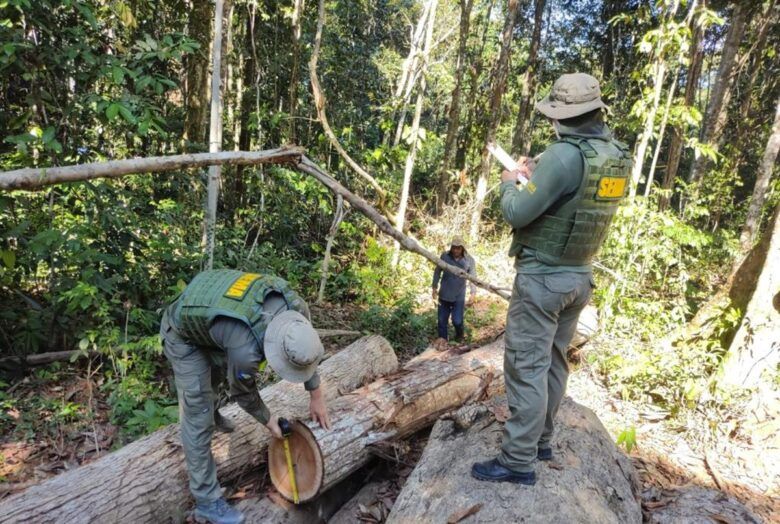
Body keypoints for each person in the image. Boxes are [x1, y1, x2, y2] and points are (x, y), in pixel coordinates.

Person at [471, 73, 631, 485]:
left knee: (527, 366)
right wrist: (537, 176)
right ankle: (541, 440)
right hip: (579, 276)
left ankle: (517, 460)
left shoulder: (562, 155)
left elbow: (517, 213)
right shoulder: (613, 154)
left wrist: (510, 184)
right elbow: (574, 202)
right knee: (555, 362)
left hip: (543, 278)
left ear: (562, 116)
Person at [160, 269, 331, 524]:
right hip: (182, 333)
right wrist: (269, 420)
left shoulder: (297, 308)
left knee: (216, 376)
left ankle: (214, 412)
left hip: (216, 318)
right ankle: (207, 501)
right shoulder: (245, 350)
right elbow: (243, 393)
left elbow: (306, 353)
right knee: (198, 413)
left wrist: (316, 395)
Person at [431, 236, 477, 343]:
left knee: (457, 321)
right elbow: (437, 271)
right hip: (444, 294)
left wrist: (473, 293)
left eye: (458, 248)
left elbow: (473, 277)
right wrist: (434, 287)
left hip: (459, 295)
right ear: (451, 247)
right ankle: (443, 342)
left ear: (463, 248)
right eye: (454, 247)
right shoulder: (445, 256)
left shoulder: (469, 260)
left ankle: (459, 337)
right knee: (442, 321)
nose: (455, 250)